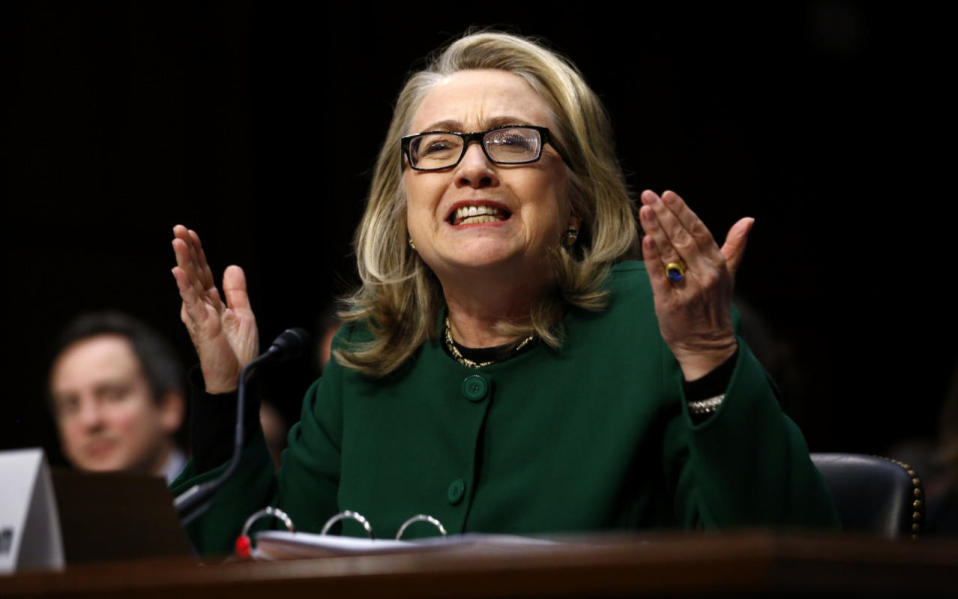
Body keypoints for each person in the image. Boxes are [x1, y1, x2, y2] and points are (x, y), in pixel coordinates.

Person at [170, 31, 839, 554]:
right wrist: (225, 392)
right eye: (437, 147)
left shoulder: (655, 326)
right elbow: (256, 562)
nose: (473, 168)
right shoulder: (366, 355)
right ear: (403, 205)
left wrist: (707, 352)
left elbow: (783, 553)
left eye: (513, 141)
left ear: (576, 199)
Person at [48, 311, 186, 483]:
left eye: (113, 396)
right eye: (71, 406)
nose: (90, 420)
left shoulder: (225, 503)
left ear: (168, 407)